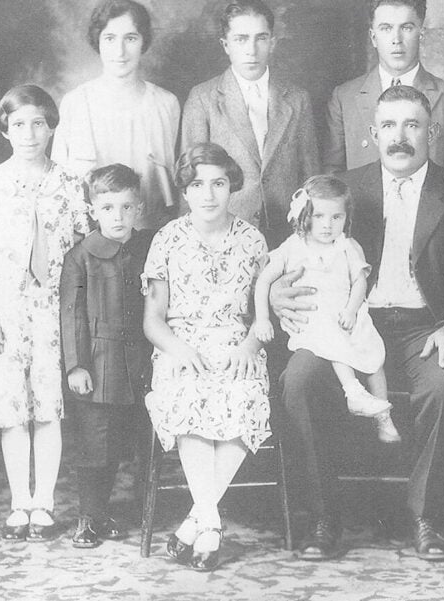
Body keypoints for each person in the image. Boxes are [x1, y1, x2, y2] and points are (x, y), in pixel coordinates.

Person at [272, 85, 444, 562]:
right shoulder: (339, 191)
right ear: (373, 134)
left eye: (412, 125)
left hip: (427, 325)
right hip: (348, 323)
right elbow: (293, 257)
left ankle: (425, 516)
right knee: (299, 380)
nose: (400, 136)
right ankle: (325, 516)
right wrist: (275, 292)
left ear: (431, 132)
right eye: (389, 126)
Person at [0, 85, 90, 541]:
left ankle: (44, 505)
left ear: (51, 128)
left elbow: (82, 254)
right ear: (4, 130)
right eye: (18, 125)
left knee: (47, 409)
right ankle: (19, 504)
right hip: (5, 310)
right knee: (13, 411)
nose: (28, 134)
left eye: (37, 124)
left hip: (52, 311)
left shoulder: (69, 185)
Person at [142, 143, 271, 572]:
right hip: (182, 347)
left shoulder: (252, 239)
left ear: (231, 185)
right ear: (185, 189)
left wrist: (251, 345)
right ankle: (211, 524)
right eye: (197, 184)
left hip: (237, 344)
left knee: (244, 397)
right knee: (188, 398)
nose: (209, 194)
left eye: (218, 183)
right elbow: (153, 321)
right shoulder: (168, 239)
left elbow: (261, 314)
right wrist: (178, 348)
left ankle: (196, 521)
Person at [252, 174, 399, 443]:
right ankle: (352, 391)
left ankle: (384, 417)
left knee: (374, 353)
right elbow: (264, 281)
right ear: (305, 214)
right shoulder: (293, 247)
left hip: (346, 312)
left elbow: (359, 282)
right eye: (319, 216)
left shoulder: (347, 246)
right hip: (313, 316)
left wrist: (353, 310)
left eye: (336, 217)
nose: (327, 225)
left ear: (346, 218)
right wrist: (263, 319)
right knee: (335, 340)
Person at [59, 164, 153, 548]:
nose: (118, 216)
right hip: (97, 361)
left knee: (121, 440)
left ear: (138, 208)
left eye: (127, 207)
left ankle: (105, 512)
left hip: (138, 359)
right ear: (93, 210)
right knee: (94, 441)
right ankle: (88, 516)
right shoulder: (80, 256)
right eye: (108, 207)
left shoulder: (147, 248)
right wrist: (75, 364)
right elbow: (71, 313)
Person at [180, 0, 321, 246]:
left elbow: (311, 175)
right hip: (225, 232)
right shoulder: (202, 98)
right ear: (226, 44)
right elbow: (190, 179)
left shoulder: (297, 99)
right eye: (241, 39)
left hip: (287, 232)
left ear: (273, 42)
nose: (251, 50)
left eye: (261, 38)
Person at [51, 0, 180, 230]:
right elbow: (59, 192)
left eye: (130, 38)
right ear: (97, 42)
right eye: (109, 38)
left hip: (151, 242)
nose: (120, 51)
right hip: (90, 246)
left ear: (143, 42)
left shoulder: (166, 104)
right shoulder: (75, 104)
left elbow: (178, 188)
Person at [325, 0, 444, 173]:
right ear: (373, 37)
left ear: (421, 34)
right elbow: (332, 175)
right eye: (386, 28)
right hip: (363, 203)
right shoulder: (344, 98)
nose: (396, 39)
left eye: (407, 28)